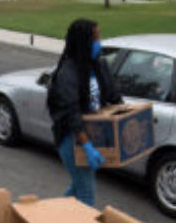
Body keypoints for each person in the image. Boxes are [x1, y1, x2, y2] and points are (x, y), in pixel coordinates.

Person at [46, 18, 123, 207]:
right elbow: (72, 114)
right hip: (72, 139)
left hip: (92, 133)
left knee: (78, 186)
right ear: (83, 43)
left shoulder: (99, 66)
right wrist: (87, 146)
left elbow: (114, 96)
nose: (100, 42)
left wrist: (126, 115)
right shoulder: (67, 73)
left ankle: (51, 217)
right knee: (86, 196)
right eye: (96, 38)